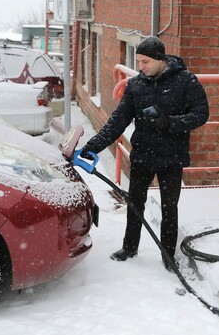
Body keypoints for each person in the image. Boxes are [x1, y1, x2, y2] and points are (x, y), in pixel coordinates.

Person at [81, 36, 209, 271]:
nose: (140, 66)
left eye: (145, 61)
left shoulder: (186, 81)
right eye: (138, 61)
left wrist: (169, 122)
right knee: (135, 203)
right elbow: (118, 120)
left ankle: (168, 256)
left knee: (169, 208)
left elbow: (201, 114)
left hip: (172, 156)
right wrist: (94, 145)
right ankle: (130, 247)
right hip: (143, 154)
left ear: (161, 60)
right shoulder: (136, 85)